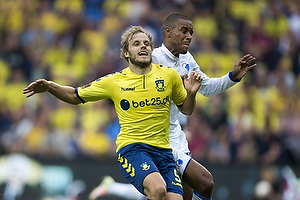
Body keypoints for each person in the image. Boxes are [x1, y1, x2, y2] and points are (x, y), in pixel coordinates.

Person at [23, 25, 203, 200]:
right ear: (126, 53)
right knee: (157, 189)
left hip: (164, 152)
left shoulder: (169, 76)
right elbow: (74, 95)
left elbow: (186, 109)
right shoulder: (115, 81)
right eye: (136, 43)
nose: (143, 46)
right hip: (133, 149)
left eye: (146, 43)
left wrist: (192, 93)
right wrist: (49, 86)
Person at [89, 13, 257, 200]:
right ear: (168, 32)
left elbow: (207, 88)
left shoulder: (186, 60)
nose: (189, 36)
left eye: (191, 32)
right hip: (159, 139)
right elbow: (133, 85)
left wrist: (232, 77)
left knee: (182, 195)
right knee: (204, 182)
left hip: (178, 136)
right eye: (184, 31)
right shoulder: (153, 59)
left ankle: (113, 188)